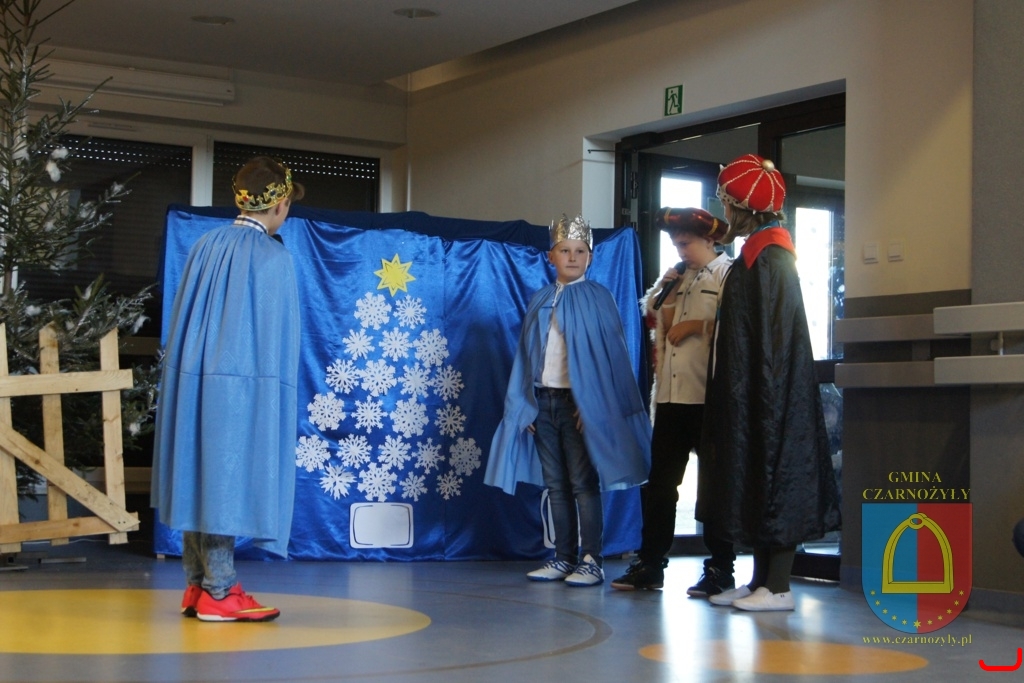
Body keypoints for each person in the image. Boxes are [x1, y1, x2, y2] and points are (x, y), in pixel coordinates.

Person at [151, 156, 304, 622]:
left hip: (195, 383)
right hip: (241, 391)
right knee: (223, 481)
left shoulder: (205, 245)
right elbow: (276, 344)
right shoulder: (274, 258)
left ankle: (198, 585)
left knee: (199, 474)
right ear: (278, 204)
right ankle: (220, 591)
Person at [698, 154, 841, 612]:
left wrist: (763, 395)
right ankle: (760, 580)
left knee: (775, 474)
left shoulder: (773, 258)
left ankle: (778, 586)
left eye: (727, 202)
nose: (723, 210)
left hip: (772, 393)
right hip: (755, 389)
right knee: (757, 474)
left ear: (745, 208)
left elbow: (775, 340)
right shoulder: (756, 254)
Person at [485, 214, 651, 587]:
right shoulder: (540, 299)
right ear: (551, 256)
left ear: (590, 257)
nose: (572, 257)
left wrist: (592, 405)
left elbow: (610, 358)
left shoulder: (599, 298)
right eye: (565, 251)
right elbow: (527, 356)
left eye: (580, 251)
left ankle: (591, 560)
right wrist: (524, 404)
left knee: (582, 483)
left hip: (579, 406)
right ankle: (563, 557)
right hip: (543, 402)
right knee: (555, 484)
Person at [610, 207, 734, 593]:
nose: (681, 251)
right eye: (676, 245)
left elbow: (739, 329)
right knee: (661, 485)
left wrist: (699, 325)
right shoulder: (681, 276)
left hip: (708, 398)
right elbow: (653, 318)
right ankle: (651, 563)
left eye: (686, 243)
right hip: (670, 397)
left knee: (714, 487)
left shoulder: (728, 275)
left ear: (709, 240)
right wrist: (664, 294)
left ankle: (720, 568)